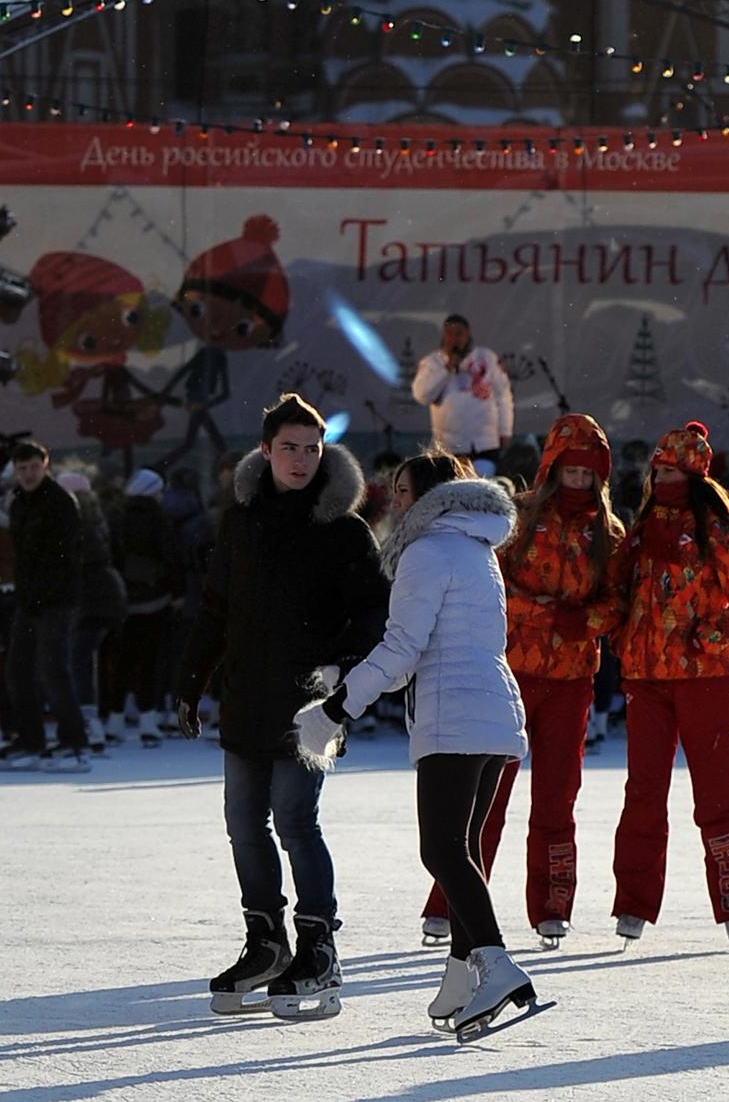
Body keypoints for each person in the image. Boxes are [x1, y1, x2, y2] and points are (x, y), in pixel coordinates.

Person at [295, 449, 532, 1039]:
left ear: (427, 497)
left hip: (455, 714)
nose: (394, 501)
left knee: (443, 851)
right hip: (494, 712)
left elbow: (403, 651)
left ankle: (496, 965)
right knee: (463, 848)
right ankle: (460, 975)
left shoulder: (426, 551)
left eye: (402, 491)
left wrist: (338, 706)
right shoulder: (478, 549)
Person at [176, 396, 386, 1017]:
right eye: (289, 447)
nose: (301, 459)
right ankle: (265, 942)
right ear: (265, 451)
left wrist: (343, 671)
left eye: (311, 448)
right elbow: (216, 608)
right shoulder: (241, 521)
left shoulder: (343, 529)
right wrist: (191, 680)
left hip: (310, 706)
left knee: (295, 821)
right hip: (245, 698)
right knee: (244, 825)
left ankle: (318, 947)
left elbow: (374, 613)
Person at [424, 411, 620, 951]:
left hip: (573, 680)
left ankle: (553, 905)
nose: (579, 482)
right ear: (553, 468)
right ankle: (448, 902)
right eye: (571, 471)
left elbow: (618, 600)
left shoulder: (608, 532)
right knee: (485, 796)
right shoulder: (519, 520)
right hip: (510, 673)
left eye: (589, 474)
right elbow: (494, 585)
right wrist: (545, 614)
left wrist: (586, 622)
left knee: (557, 798)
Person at [599, 419, 729, 945]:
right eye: (659, 472)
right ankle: (633, 905)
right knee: (643, 794)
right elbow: (620, 594)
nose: (663, 481)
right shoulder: (642, 531)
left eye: (673, 472)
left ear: (694, 476)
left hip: (705, 679)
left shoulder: (720, 531)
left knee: (716, 798)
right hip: (646, 679)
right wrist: (619, 633)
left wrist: (707, 635)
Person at [0, 441, 89, 769]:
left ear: (45, 466)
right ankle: (31, 739)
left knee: (53, 671)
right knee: (17, 670)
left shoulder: (61, 502)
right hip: (29, 599)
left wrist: (48, 592)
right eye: (22, 469)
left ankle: (74, 741)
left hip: (57, 600)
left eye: (34, 467)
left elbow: (67, 557)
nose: (28, 474)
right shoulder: (19, 503)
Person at [57, 467, 127, 751]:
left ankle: (89, 723)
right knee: (94, 662)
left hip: (89, 600)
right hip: (109, 596)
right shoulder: (98, 520)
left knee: (79, 662)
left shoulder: (75, 524)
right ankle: (103, 719)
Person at [107, 466, 178, 743]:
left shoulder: (117, 516)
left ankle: (115, 718)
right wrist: (174, 590)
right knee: (149, 662)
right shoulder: (159, 518)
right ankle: (148, 719)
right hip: (154, 599)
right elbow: (171, 557)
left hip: (123, 599)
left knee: (122, 662)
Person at [411, 316, 514, 471]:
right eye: (449, 333)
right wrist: (447, 369)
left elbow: (503, 396)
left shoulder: (486, 358)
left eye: (459, 333)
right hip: (449, 444)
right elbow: (422, 396)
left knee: (483, 487)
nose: (454, 339)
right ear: (443, 336)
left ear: (468, 335)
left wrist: (505, 430)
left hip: (485, 442)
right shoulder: (432, 362)